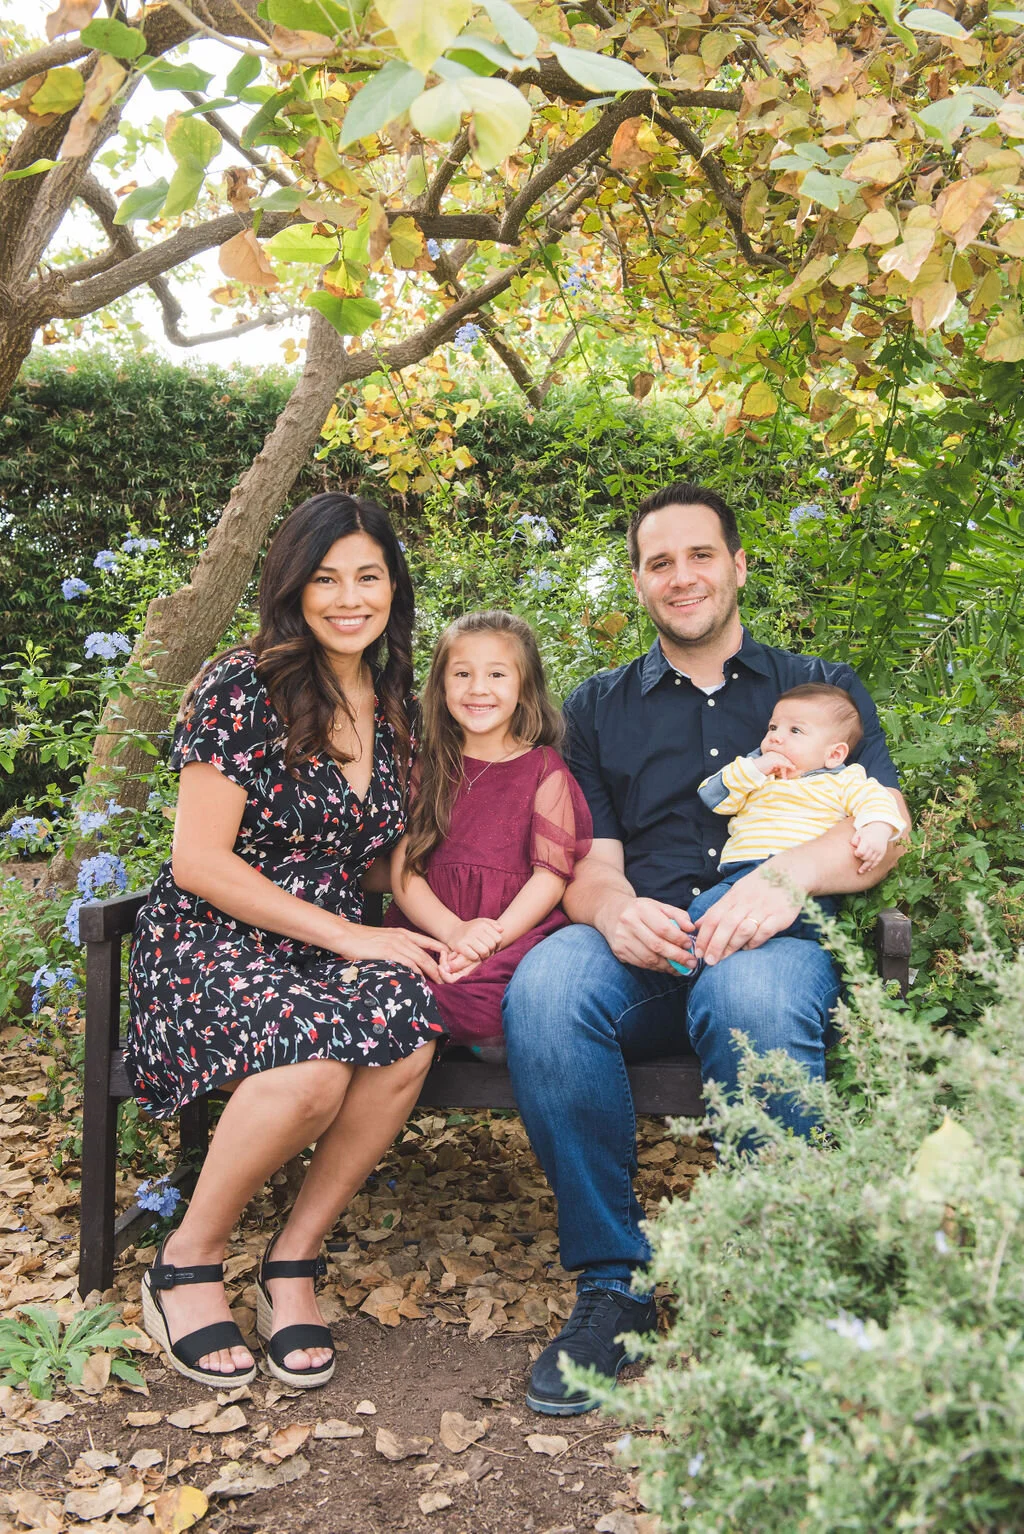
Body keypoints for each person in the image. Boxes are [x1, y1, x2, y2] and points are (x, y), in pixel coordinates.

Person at [502, 483, 910, 1416]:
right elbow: (589, 862)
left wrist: (784, 878)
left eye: (700, 556)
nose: (681, 577)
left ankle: (775, 1288)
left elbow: (883, 831)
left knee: (754, 1002)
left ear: (736, 565)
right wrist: (609, 914)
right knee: (547, 987)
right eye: (659, 562)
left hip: (773, 933)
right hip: (645, 943)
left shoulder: (821, 691)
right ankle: (614, 1285)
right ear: (640, 582)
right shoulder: (598, 706)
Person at [125, 493, 448, 1391]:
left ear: (394, 588)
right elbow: (199, 861)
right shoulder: (243, 684)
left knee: (411, 1022)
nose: (349, 598)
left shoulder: (391, 703)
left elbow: (374, 861)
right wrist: (350, 935)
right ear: (293, 589)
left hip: (319, 945)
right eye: (325, 578)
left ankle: (291, 1260)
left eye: (369, 577)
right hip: (212, 940)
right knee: (311, 1071)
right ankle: (186, 1261)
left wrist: (454, 920)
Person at [385, 610, 592, 1054]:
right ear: (441, 685)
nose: (478, 688)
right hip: (432, 928)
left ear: (524, 688)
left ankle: (471, 1033)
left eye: (497, 673)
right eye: (461, 673)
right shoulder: (428, 766)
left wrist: (487, 939)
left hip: (510, 933)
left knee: (495, 1000)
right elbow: (406, 866)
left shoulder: (542, 769)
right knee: (388, 989)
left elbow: (550, 876)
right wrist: (453, 931)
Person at [687, 681, 906, 945]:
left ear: (835, 754)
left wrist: (876, 829)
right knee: (704, 911)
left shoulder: (843, 780)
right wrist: (756, 768)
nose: (776, 737)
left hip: (807, 891)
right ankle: (694, 959)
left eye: (795, 731)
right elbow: (713, 796)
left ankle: (694, 957)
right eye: (773, 727)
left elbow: (878, 801)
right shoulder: (757, 776)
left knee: (714, 919)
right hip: (742, 877)